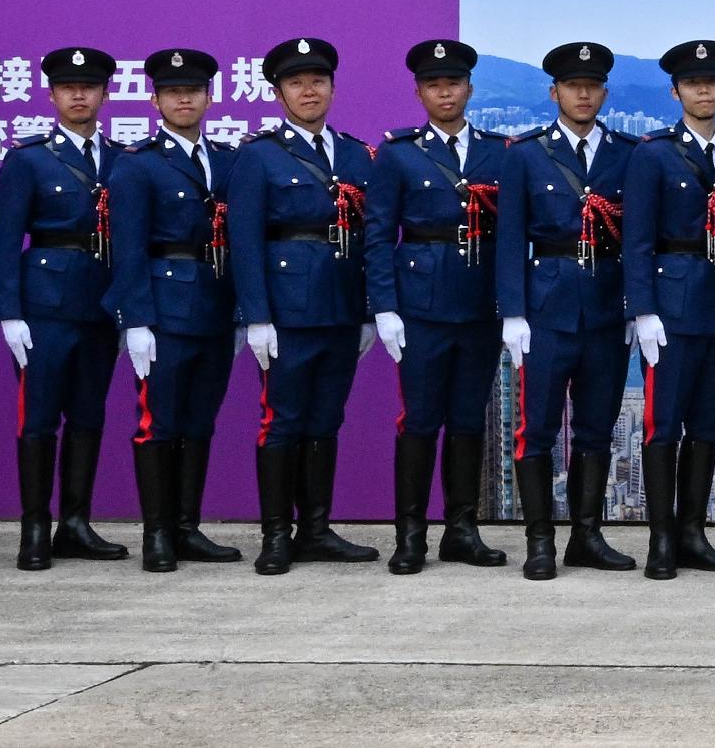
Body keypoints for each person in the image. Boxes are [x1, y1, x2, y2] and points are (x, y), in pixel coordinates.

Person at [223, 35, 387, 574]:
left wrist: (367, 310)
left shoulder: (356, 155)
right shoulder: (259, 156)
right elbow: (243, 242)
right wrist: (257, 317)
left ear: (334, 88)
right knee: (283, 422)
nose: (308, 90)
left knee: (325, 420)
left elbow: (370, 237)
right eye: (296, 82)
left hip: (341, 308)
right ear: (278, 92)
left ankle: (315, 529)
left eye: (318, 80)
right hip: (287, 311)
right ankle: (276, 535)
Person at [496, 40, 638, 579]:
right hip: (547, 307)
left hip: (606, 304)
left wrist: (635, 306)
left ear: (604, 92)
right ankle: (539, 541)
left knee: (596, 429)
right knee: (536, 429)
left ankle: (587, 535)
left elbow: (638, 236)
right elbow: (509, 239)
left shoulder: (627, 153)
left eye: (593, 85)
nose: (584, 93)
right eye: (573, 86)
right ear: (554, 92)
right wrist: (513, 313)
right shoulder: (528, 154)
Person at [371, 37, 512, 574]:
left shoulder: (498, 152)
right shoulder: (399, 153)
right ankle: (410, 535)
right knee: (420, 421)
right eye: (434, 84)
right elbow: (380, 234)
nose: (445, 91)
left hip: (479, 305)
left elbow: (511, 232)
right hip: (422, 307)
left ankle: (462, 529)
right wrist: (384, 306)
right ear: (418, 92)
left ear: (470, 88)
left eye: (453, 82)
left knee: (469, 420)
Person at [0, 46, 126, 571]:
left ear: (104, 95)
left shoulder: (121, 158)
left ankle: (75, 523)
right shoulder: (29, 158)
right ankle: (35, 528)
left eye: (88, 87)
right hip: (44, 306)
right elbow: (5, 240)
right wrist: (10, 311)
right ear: (52, 96)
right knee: (39, 418)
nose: (79, 95)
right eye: (68, 87)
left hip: (102, 305)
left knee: (88, 415)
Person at [104, 48, 238, 572]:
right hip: (162, 309)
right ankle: (156, 533)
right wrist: (134, 321)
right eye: (172, 91)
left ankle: (188, 527)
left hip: (216, 304)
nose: (185, 98)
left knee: (200, 420)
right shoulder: (137, 165)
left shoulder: (228, 159)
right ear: (156, 100)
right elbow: (127, 247)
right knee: (157, 423)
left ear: (209, 97)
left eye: (195, 90)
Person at [620, 38, 715, 579]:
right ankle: (661, 539)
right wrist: (642, 309)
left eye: (713, 81)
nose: (704, 89)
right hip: (670, 307)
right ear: (675, 91)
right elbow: (637, 239)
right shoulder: (652, 154)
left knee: (708, 424)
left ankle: (694, 531)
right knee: (663, 425)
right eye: (693, 82)